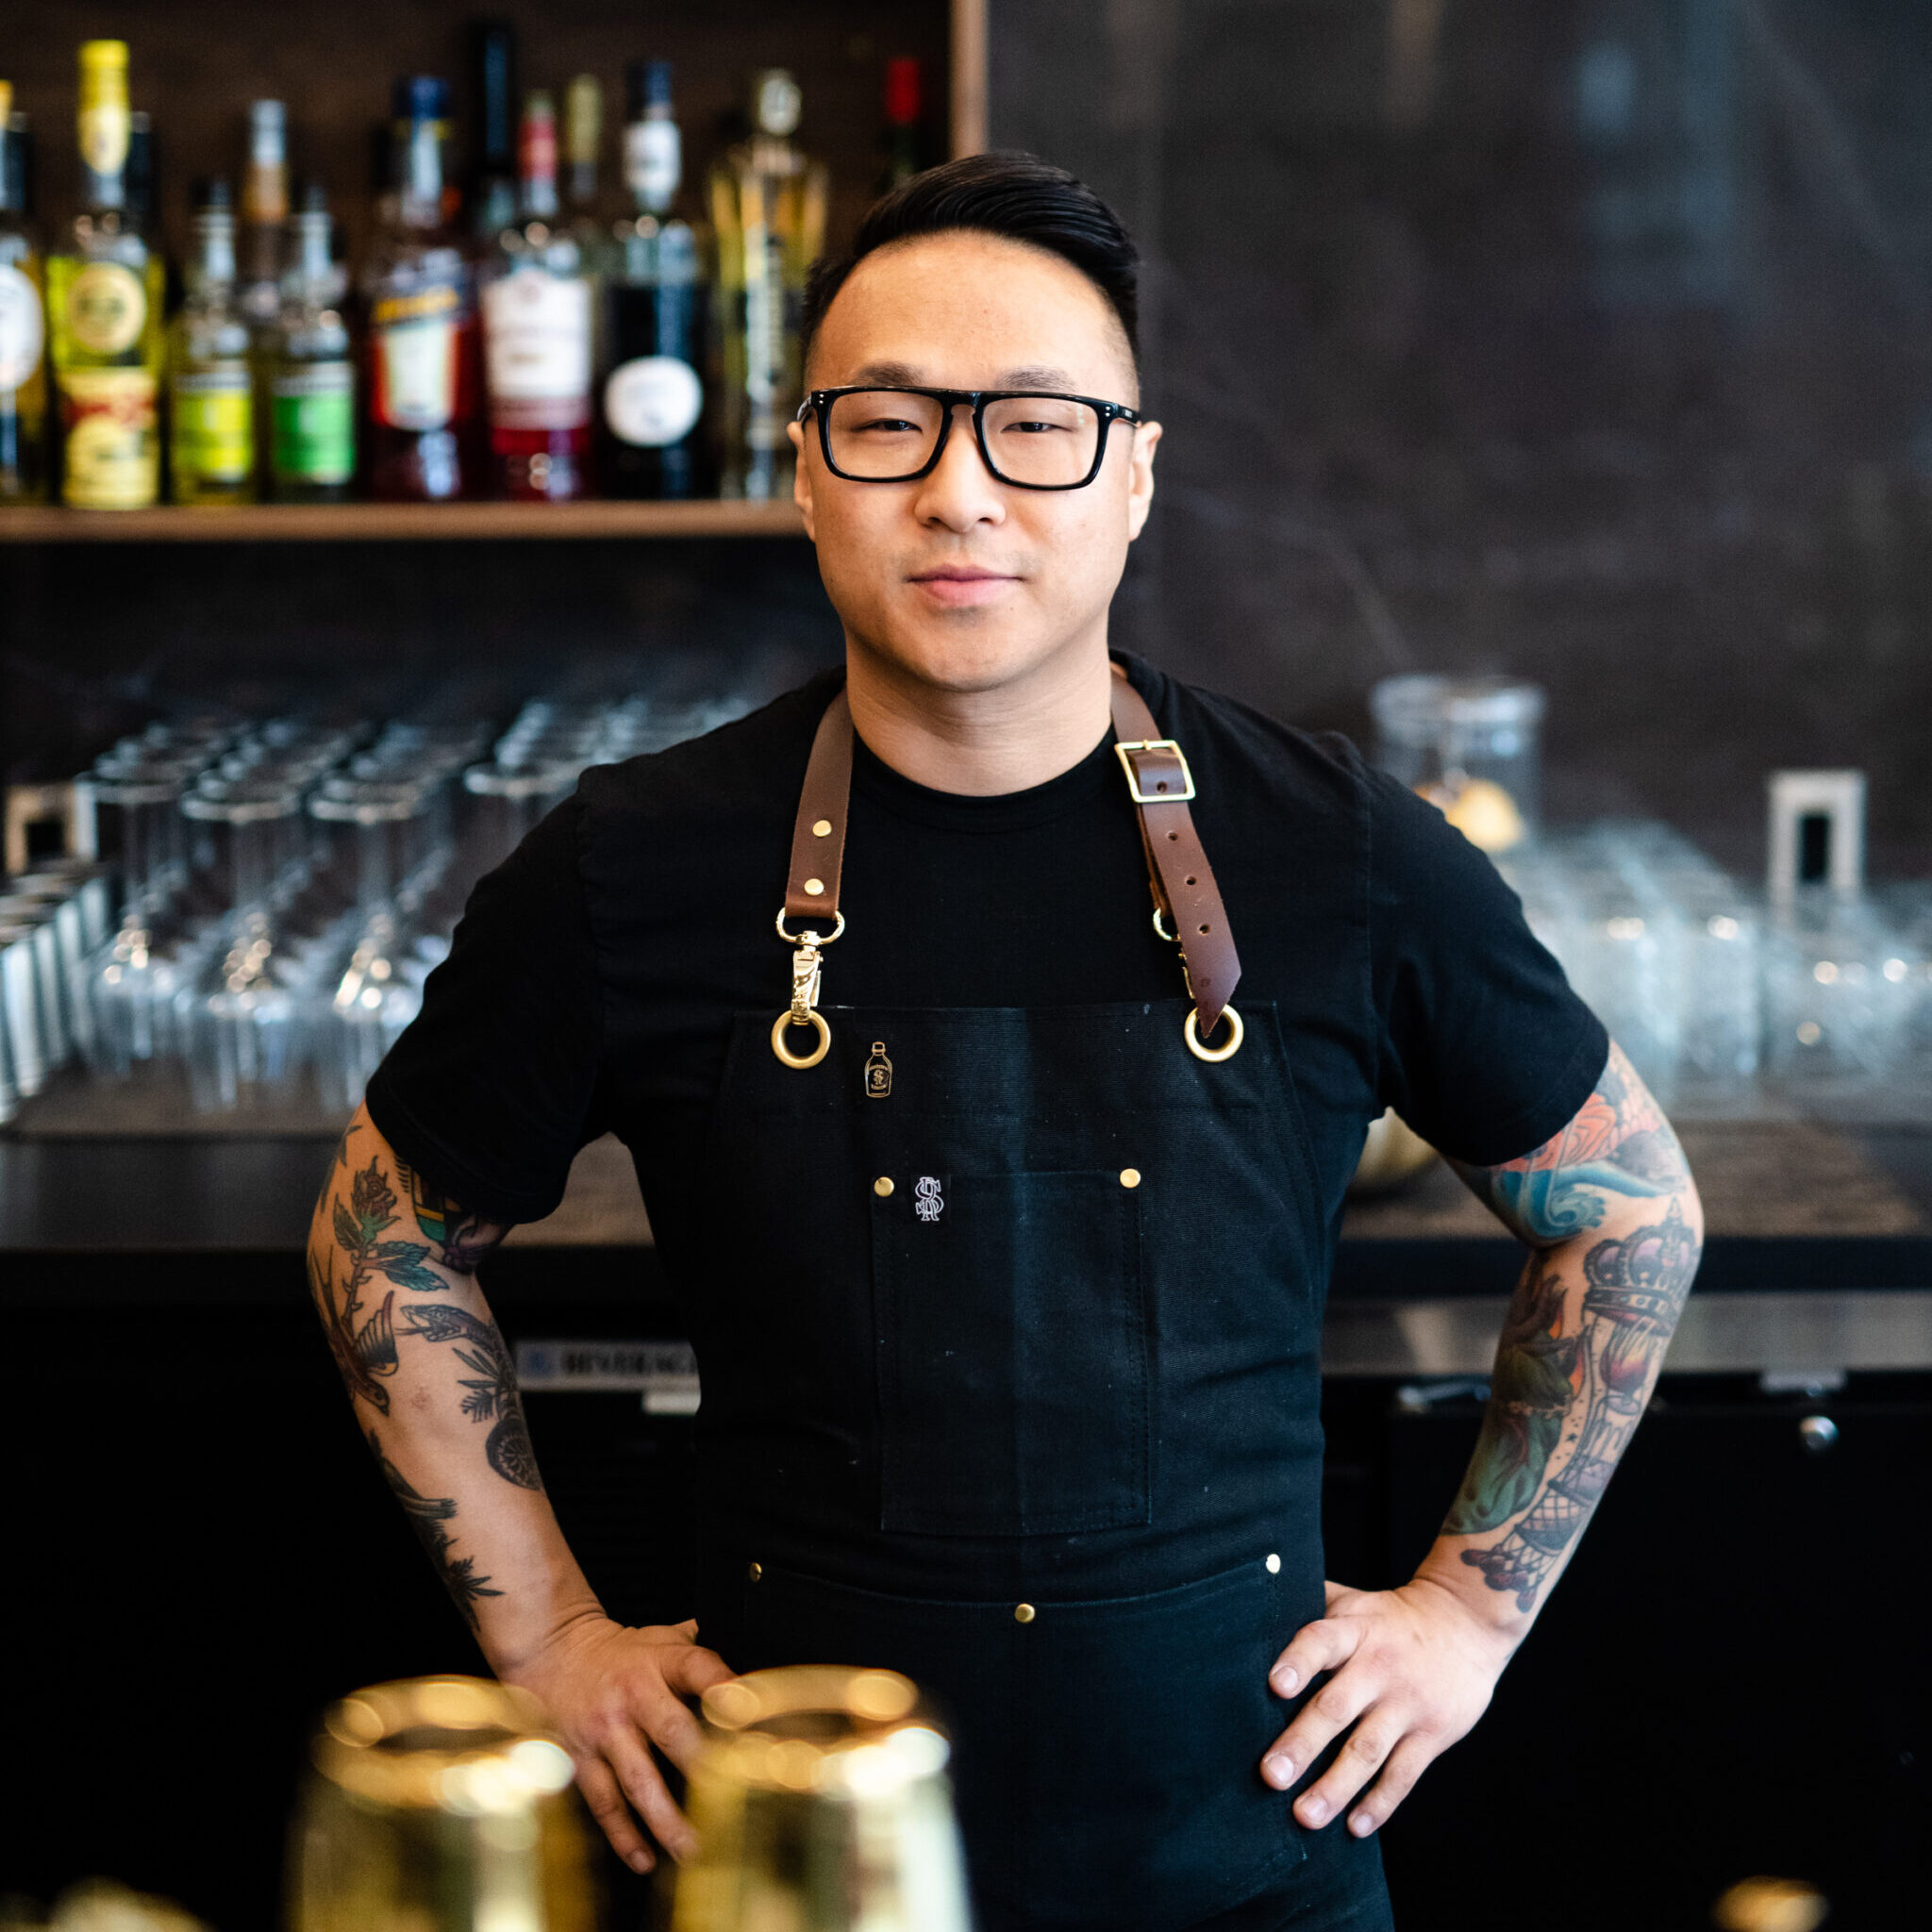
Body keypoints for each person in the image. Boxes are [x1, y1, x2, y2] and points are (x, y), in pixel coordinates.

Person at [308, 152, 1704, 1931]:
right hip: (784, 1860)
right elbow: (385, 1227)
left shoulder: (1338, 853)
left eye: (1036, 426)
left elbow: (1634, 1208)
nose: (961, 491)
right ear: (807, 471)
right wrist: (555, 1641)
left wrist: (1469, 1615)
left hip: (1243, 1855)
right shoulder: (631, 863)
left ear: (1133, 477)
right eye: (890, 425)